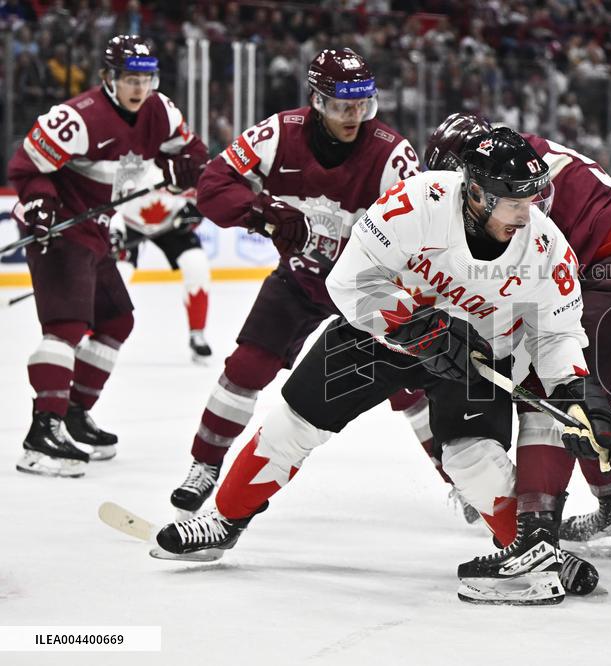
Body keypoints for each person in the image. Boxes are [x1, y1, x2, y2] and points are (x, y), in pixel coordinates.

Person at [154, 127, 611, 606]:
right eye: (513, 202)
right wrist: (415, 322)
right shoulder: (417, 203)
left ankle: (535, 555)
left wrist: (576, 392)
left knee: (473, 460)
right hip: (380, 339)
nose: (527, 214)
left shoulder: (547, 247)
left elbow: (556, 333)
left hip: (474, 358)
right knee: (291, 426)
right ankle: (224, 521)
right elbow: (349, 281)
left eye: (533, 200)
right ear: (476, 191)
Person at [168, 48, 421, 514]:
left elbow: (422, 237)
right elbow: (212, 187)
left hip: (367, 291)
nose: (355, 116)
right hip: (300, 280)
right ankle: (204, 465)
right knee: (246, 366)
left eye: (362, 104)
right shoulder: (278, 133)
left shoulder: (392, 153)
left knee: (412, 386)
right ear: (318, 101)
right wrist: (267, 216)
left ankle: (459, 478)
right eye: (344, 106)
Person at [420, 113, 611, 559]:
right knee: (580, 396)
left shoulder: (508, 176)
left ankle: (534, 534)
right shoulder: (521, 153)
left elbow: (512, 274)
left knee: (552, 392)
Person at [7, 34, 207, 477]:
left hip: (94, 228)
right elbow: (25, 166)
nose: (139, 88)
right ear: (108, 78)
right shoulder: (77, 118)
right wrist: (40, 203)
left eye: (145, 78)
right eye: (129, 78)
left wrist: (186, 166)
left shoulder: (161, 109)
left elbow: (192, 152)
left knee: (116, 319)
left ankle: (74, 415)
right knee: (66, 327)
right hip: (58, 225)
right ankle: (43, 433)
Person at [110, 171, 213, 363]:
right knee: (118, 274)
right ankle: (92, 332)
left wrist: (195, 212)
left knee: (196, 263)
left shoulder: (184, 152)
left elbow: (206, 191)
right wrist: (113, 231)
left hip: (170, 223)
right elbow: (107, 199)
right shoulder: (129, 154)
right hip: (128, 223)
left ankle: (197, 334)